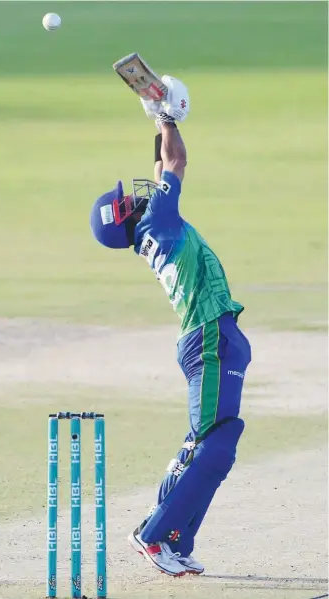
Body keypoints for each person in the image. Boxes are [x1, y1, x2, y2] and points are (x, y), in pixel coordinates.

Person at [90, 76, 252, 577]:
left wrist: (155, 107)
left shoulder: (150, 227)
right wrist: (165, 116)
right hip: (207, 336)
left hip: (212, 333)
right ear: (126, 216)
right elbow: (174, 162)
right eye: (128, 198)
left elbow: (163, 166)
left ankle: (175, 536)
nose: (137, 192)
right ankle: (155, 534)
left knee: (213, 442)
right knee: (215, 445)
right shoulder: (157, 219)